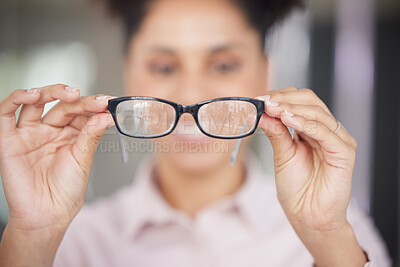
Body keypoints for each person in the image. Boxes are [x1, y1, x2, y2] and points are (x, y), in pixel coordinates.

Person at [0, 0, 391, 266]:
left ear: (264, 74)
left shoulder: (340, 229)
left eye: (223, 65)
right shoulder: (71, 243)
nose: (190, 96)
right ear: (129, 74)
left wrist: (328, 240)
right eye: (165, 67)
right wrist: (32, 237)